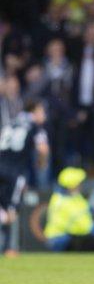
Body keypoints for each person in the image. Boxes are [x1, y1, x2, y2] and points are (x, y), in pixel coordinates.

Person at [0, 100, 48, 257]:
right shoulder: (35, 126)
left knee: (5, 207)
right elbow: (43, 148)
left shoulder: (12, 122)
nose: (44, 116)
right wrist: (42, 163)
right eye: (42, 111)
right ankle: (10, 248)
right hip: (15, 172)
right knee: (12, 210)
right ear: (34, 110)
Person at [44, 167, 94, 251]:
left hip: (67, 238)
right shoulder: (63, 202)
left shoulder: (73, 197)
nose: (80, 185)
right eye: (78, 183)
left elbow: (88, 210)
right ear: (71, 186)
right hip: (58, 240)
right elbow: (86, 226)